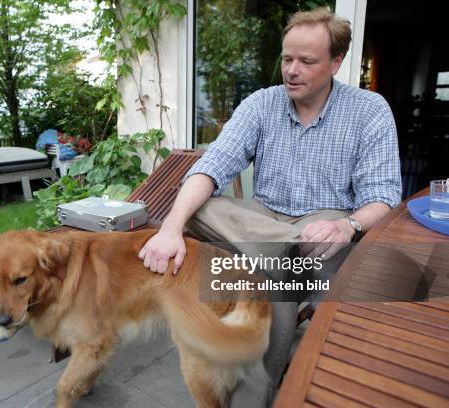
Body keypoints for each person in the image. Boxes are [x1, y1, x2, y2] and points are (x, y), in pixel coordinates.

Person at [138, 7, 402, 407]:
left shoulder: (369, 111)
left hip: (324, 225)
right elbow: (212, 166)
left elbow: (383, 198)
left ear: (336, 62)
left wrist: (347, 226)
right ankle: (283, 253)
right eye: (286, 58)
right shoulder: (262, 104)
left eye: (307, 61)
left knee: (276, 278)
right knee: (201, 206)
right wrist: (171, 228)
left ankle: (254, 391)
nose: (291, 70)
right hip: (262, 221)